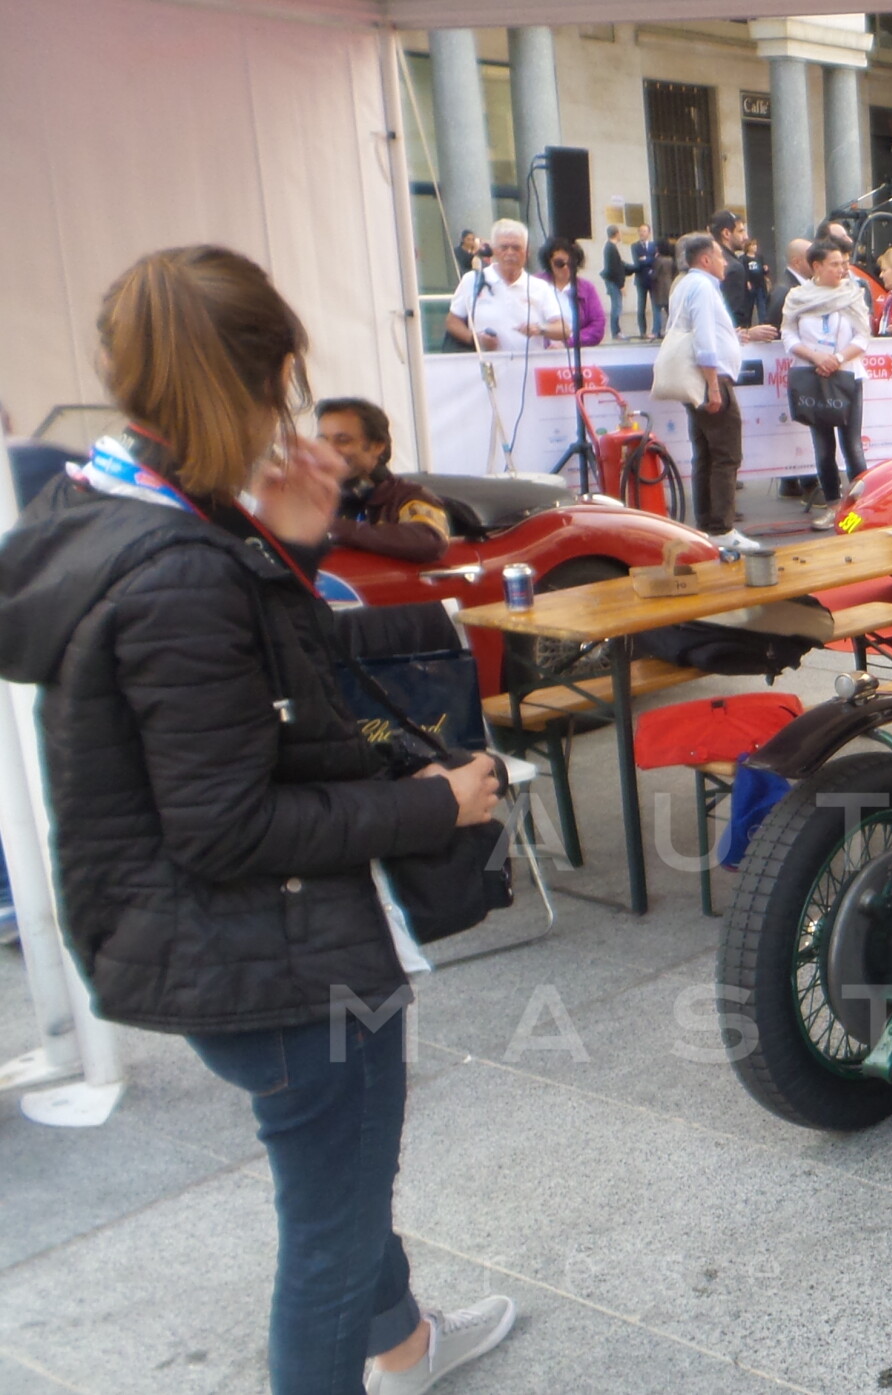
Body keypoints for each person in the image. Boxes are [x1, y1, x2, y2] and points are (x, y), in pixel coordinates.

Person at [0, 245, 514, 1395]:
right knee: (330, 1229)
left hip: (212, 940)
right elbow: (226, 826)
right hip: (264, 957)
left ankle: (407, 1349)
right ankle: (375, 1352)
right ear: (268, 374)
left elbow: (253, 695)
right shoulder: (176, 567)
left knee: (339, 1182)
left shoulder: (111, 505)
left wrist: (296, 543)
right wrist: (432, 802)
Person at [672, 231, 775, 547]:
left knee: (706, 454)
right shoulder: (703, 287)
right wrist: (714, 386)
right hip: (711, 379)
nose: (725, 263)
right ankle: (722, 529)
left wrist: (739, 336)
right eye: (719, 256)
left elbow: (708, 333)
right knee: (726, 455)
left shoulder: (686, 285)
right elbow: (704, 339)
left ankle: (708, 525)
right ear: (705, 259)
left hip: (700, 379)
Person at [782, 238, 872, 515]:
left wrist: (838, 359)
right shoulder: (797, 297)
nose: (841, 270)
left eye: (843, 264)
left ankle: (861, 506)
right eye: (834, 264)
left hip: (847, 376)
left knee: (852, 445)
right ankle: (833, 505)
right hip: (813, 376)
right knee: (823, 447)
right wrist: (815, 357)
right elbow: (788, 334)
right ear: (817, 266)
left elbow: (863, 336)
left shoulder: (853, 294)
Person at [317, 398, 452, 563]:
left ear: (377, 446)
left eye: (343, 440)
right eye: (323, 440)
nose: (329, 450)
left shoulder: (409, 496)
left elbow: (429, 540)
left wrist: (332, 528)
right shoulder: (315, 497)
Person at [442, 219, 565, 352]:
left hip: (530, 363)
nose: (510, 253)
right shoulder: (472, 280)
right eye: (504, 247)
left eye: (516, 248)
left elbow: (563, 329)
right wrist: (474, 339)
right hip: (486, 363)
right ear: (494, 251)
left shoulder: (540, 287)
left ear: (527, 252)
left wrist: (540, 329)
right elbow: (452, 321)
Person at [542, 240, 606, 348]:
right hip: (540, 352)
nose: (566, 267)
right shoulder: (535, 285)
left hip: (574, 352)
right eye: (559, 263)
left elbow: (597, 326)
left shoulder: (587, 288)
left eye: (571, 263)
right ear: (549, 262)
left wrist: (568, 343)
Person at [706, 210, 762, 327]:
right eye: (740, 231)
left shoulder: (709, 262)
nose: (746, 237)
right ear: (726, 233)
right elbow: (734, 313)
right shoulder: (734, 267)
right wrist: (747, 333)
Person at [601, 225, 631, 336]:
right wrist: (621, 285)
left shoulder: (609, 247)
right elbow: (614, 268)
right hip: (613, 282)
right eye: (619, 233)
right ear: (616, 234)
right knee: (617, 306)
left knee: (617, 305)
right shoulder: (611, 248)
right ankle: (616, 331)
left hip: (612, 281)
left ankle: (616, 331)